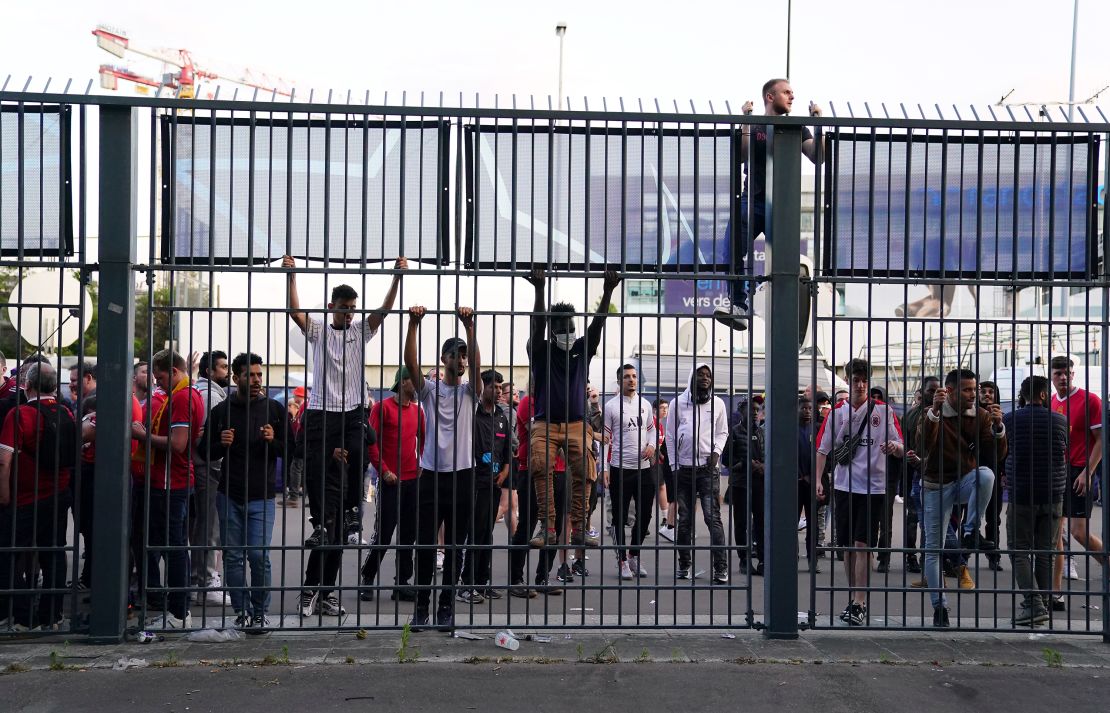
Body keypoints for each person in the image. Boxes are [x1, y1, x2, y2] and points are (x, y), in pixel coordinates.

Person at [282, 254, 405, 619]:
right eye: (344, 307)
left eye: (353, 308)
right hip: (322, 414)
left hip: (351, 411)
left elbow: (382, 313)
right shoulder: (319, 330)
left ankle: (352, 517)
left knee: (358, 460)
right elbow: (294, 313)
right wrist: (292, 276)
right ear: (331, 306)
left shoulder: (358, 332)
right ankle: (314, 568)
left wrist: (396, 279)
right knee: (322, 497)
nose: (349, 313)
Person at [523, 267, 621, 550]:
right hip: (545, 423)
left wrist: (608, 292)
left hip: (578, 423)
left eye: (571, 327)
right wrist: (540, 290)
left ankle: (579, 528)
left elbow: (598, 325)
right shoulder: (540, 351)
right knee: (542, 469)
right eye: (562, 328)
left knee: (585, 472)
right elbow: (536, 324)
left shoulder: (582, 348)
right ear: (552, 331)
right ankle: (548, 527)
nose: (568, 332)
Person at [715, 78, 824, 330]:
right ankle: (739, 305)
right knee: (731, 251)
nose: (792, 97)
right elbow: (742, 153)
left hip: (782, 206)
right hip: (752, 201)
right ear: (770, 97)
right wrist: (746, 120)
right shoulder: (755, 124)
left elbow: (817, 156)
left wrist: (818, 123)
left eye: (793, 93)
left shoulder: (798, 128)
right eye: (787, 92)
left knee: (785, 264)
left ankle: (785, 314)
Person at [405, 305, 481, 630]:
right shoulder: (430, 392)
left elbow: (477, 368)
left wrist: (470, 327)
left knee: (455, 547)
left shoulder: (470, 393)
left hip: (464, 476)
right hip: (432, 477)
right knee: (424, 545)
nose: (461, 360)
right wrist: (413, 324)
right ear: (443, 359)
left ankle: (446, 608)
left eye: (464, 355)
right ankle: (421, 607)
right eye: (455, 355)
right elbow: (411, 365)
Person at [816, 358, 904, 627]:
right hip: (844, 486)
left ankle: (860, 601)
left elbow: (901, 444)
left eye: (865, 379)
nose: (861, 384)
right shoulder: (836, 413)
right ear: (848, 381)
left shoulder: (884, 411)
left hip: (874, 488)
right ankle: (852, 597)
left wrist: (894, 447)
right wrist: (819, 480)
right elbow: (822, 448)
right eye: (856, 380)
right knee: (847, 547)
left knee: (862, 545)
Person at [917, 368, 1006, 627]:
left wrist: (999, 428)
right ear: (951, 391)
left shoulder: (979, 415)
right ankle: (939, 608)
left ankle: (970, 531)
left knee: (986, 474)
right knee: (933, 550)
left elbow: (997, 455)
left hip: (963, 480)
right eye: (967, 390)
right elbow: (923, 446)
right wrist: (933, 413)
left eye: (974, 389)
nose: (973, 395)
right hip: (935, 485)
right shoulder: (931, 414)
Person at [205, 352, 288, 630]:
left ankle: (260, 612)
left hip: (262, 496)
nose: (256, 380)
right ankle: (242, 612)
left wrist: (273, 440)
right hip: (229, 494)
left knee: (258, 555)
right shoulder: (222, 411)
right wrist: (220, 444)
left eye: (259, 374)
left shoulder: (275, 410)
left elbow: (293, 450)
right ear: (236, 377)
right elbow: (203, 451)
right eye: (249, 375)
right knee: (233, 556)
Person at [130, 349, 207, 629]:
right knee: (172, 545)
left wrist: (141, 434)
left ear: (174, 371)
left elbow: (177, 443)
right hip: (173, 480)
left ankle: (178, 613)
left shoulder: (183, 397)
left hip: (169, 482)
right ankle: (178, 610)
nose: (157, 383)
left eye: (160, 377)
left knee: (174, 548)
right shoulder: (189, 394)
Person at [0, 362, 75, 631]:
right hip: (58, 495)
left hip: (24, 499)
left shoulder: (20, 414)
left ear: (27, 386)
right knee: (53, 554)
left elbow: (4, 461)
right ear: (55, 386)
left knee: (6, 554)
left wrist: (4, 495)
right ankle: (51, 616)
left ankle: (22, 615)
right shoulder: (66, 411)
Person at [1003, 376, 1068, 626]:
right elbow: (1064, 451)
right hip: (1053, 494)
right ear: (1043, 395)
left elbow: (1002, 450)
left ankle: (1033, 603)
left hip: (1022, 493)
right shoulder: (1060, 420)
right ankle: (1041, 604)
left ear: (1023, 394)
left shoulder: (1010, 419)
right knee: (1046, 552)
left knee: (1018, 550)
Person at [359, 367, 425, 603]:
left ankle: (402, 583)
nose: (418, 385)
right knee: (383, 535)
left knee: (408, 536)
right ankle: (367, 579)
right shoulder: (382, 408)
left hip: (412, 481)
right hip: (390, 481)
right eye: (414, 381)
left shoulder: (418, 412)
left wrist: (421, 465)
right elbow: (371, 443)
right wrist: (384, 470)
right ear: (404, 382)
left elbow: (424, 440)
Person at [1050, 356, 1106, 610]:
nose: (1063, 377)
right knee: (1055, 535)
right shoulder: (1051, 402)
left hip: (1079, 471)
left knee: (1079, 532)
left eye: (1067, 373)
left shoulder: (1090, 400)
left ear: (1073, 374)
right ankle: (1055, 594)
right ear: (1051, 376)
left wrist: (1087, 471)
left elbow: (1101, 439)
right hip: (1056, 471)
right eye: (1058, 373)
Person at [665, 363, 730, 584]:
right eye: (700, 374)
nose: (705, 378)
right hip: (683, 470)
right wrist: (674, 467)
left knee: (713, 519)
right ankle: (684, 565)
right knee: (684, 521)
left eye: (708, 375)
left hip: (708, 470)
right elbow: (670, 436)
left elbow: (723, 432)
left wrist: (716, 452)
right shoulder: (677, 403)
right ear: (692, 377)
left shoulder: (718, 403)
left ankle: (720, 568)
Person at [508, 382, 569, 597]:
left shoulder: (560, 403)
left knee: (554, 528)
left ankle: (542, 577)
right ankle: (516, 579)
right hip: (532, 469)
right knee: (527, 524)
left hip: (558, 471)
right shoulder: (527, 403)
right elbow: (540, 436)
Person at [459, 369, 512, 603]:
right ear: (484, 388)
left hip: (494, 484)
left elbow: (508, 451)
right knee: (475, 535)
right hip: (474, 483)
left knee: (487, 535)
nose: (499, 391)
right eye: (494, 387)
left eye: (501, 388)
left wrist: (504, 473)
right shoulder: (472, 414)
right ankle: (466, 585)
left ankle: (482, 582)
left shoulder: (501, 416)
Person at [603, 364, 657, 580]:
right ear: (619, 381)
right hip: (620, 469)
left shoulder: (644, 404)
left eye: (634, 376)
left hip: (644, 470)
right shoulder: (611, 407)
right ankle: (622, 561)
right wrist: (604, 468)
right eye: (626, 377)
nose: (631, 380)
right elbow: (605, 440)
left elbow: (652, 430)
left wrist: (652, 445)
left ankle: (634, 555)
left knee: (645, 516)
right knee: (619, 518)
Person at [191, 351, 230, 607]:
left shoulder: (207, 392)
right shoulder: (210, 395)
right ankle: (205, 582)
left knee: (202, 526)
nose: (227, 372)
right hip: (209, 466)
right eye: (223, 367)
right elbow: (203, 437)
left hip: (204, 466)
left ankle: (199, 580)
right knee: (208, 527)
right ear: (209, 371)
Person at [899, 377, 939, 575]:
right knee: (915, 517)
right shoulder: (912, 415)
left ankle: (927, 558)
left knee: (930, 520)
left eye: (937, 390)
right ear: (922, 393)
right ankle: (911, 556)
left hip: (937, 474)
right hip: (916, 472)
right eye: (931, 390)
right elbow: (905, 446)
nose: (935, 394)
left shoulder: (944, 414)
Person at [724, 397, 764, 575]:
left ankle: (763, 560)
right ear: (742, 411)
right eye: (752, 409)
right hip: (741, 484)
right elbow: (726, 460)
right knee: (741, 523)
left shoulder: (763, 432)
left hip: (760, 484)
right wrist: (744, 464)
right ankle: (744, 560)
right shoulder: (734, 432)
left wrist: (763, 466)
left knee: (762, 523)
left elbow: (770, 455)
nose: (755, 412)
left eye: (757, 409)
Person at [66, 361, 96, 591]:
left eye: (75, 380)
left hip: (90, 471)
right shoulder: (82, 401)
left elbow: (81, 435)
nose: (71, 385)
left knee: (90, 526)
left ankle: (90, 578)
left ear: (88, 378)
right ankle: (88, 577)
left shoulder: (95, 401)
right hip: (82, 470)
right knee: (86, 527)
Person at [977, 380, 1004, 571]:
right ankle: (962, 555)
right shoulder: (970, 415)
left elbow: (1005, 448)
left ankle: (994, 555)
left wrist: (1003, 472)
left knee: (993, 517)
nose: (987, 395)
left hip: (994, 472)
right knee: (968, 516)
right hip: (970, 471)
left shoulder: (1001, 417)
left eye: (991, 392)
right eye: (983, 391)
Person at [653, 398, 677, 542]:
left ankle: (666, 518)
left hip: (660, 462)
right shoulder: (653, 423)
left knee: (662, 488)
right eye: (662, 408)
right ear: (655, 409)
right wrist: (661, 456)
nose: (665, 410)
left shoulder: (662, 425)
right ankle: (667, 520)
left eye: (666, 408)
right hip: (652, 462)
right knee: (660, 488)